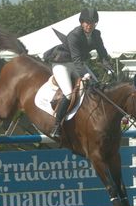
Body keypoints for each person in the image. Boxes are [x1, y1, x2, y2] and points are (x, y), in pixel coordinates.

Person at [43, 8, 115, 138]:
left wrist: (109, 68)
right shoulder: (74, 35)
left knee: (96, 86)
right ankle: (57, 125)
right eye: (87, 22)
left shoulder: (96, 35)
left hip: (78, 64)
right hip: (62, 64)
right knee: (68, 93)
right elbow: (76, 59)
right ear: (82, 22)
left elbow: (103, 54)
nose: (90, 25)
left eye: (93, 22)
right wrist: (84, 75)